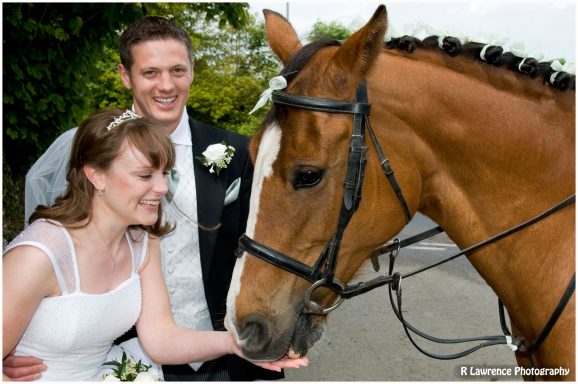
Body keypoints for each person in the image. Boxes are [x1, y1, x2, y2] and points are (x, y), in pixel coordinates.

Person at [5, 16, 289, 381]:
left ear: (192, 72)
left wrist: (246, 339)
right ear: (126, 76)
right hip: (120, 360)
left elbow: (271, 247)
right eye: (150, 72)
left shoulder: (237, 152)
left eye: (177, 70)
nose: (166, 84)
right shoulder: (90, 152)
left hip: (219, 359)